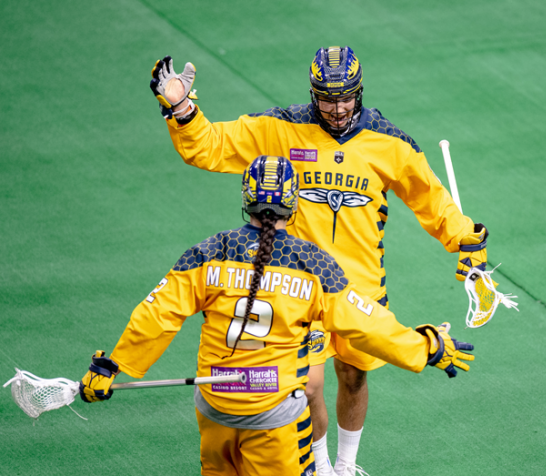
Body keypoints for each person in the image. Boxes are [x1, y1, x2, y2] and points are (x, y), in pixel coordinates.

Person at [149, 47, 489, 476]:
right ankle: (319, 465)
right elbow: (211, 147)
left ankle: (346, 465)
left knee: (354, 377)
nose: (337, 107)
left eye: (346, 96)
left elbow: (430, 199)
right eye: (327, 98)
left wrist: (465, 238)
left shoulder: (390, 143)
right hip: (300, 288)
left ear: (359, 91)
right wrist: (180, 107)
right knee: (307, 386)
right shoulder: (281, 129)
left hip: (361, 287)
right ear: (313, 94)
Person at [78, 156, 475, 476]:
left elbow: (157, 313)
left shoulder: (207, 252)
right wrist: (426, 347)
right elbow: (366, 324)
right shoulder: (312, 265)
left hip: (214, 408)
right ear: (294, 202)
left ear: (246, 199)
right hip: (274, 418)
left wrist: (112, 366)